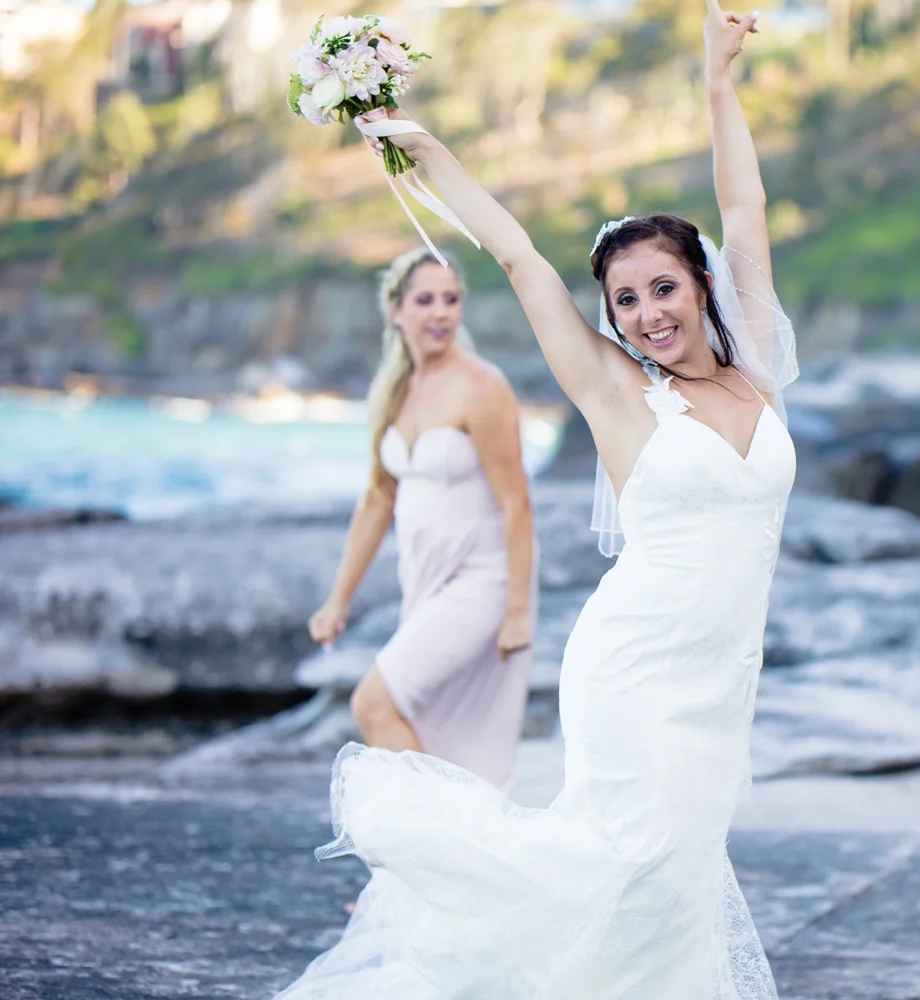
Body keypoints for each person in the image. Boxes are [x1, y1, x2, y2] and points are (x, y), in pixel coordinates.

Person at [275, 3, 795, 996]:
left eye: (663, 289)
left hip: (721, 681)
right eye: (625, 301)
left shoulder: (758, 371)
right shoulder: (618, 392)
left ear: (703, 285)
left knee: (678, 879)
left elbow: (747, 207)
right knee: (619, 865)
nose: (646, 315)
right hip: (632, 667)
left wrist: (718, 84)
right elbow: (517, 255)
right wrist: (419, 144)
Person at [307, 247, 536, 794]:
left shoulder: (482, 387)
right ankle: (457, 833)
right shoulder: (393, 392)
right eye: (426, 300)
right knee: (428, 727)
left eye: (451, 300)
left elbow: (517, 504)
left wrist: (517, 613)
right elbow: (376, 500)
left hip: (482, 581)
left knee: (373, 703)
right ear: (397, 311)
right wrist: (338, 600)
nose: (441, 313)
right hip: (424, 581)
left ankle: (440, 828)